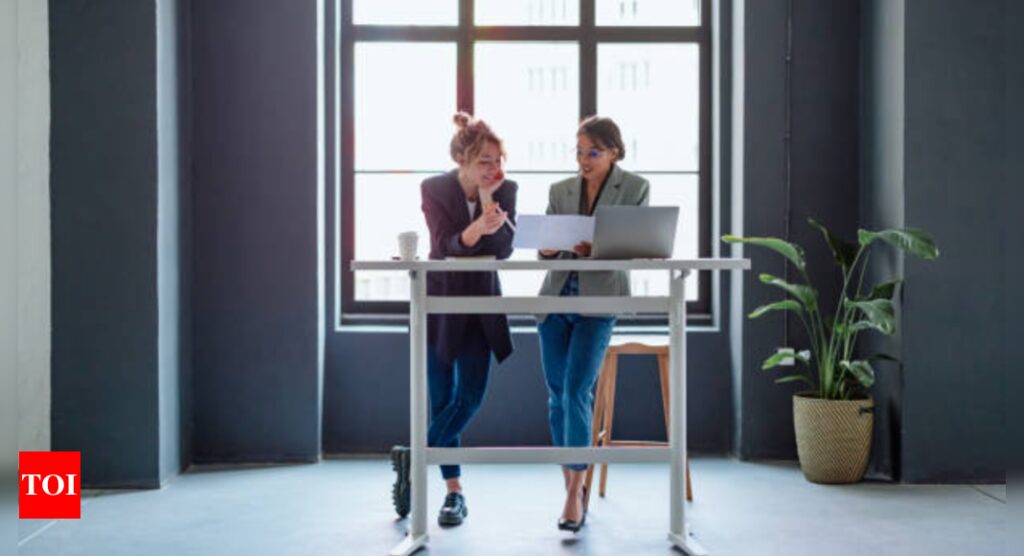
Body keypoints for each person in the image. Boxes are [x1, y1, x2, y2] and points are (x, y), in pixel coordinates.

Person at [393, 112, 517, 527]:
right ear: (462, 159)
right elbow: (444, 245)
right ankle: (454, 494)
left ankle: (414, 457)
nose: (494, 169)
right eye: (484, 160)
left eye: (498, 159)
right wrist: (476, 229)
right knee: (442, 399)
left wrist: (487, 204)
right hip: (441, 303)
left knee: (471, 396)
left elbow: (503, 251)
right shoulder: (434, 189)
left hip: (481, 302)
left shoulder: (505, 189)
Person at [537, 116, 650, 532]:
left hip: (600, 299)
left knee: (576, 390)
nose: (584, 159)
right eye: (579, 151)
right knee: (555, 396)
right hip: (556, 299)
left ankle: (573, 494)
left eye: (593, 152)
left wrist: (597, 247)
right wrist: (549, 248)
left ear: (614, 151)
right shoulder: (559, 190)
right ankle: (572, 484)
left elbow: (635, 245)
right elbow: (545, 253)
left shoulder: (635, 188)